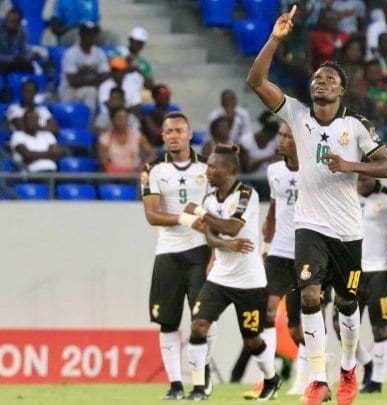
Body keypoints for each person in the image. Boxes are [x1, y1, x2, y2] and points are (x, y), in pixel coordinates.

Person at [246, 5, 387, 404]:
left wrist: (350, 165)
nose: (321, 81)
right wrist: (275, 40)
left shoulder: (356, 126)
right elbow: (256, 80)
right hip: (310, 226)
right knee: (310, 296)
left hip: (348, 230)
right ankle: (317, 378)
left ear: (342, 90)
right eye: (316, 77)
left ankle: (347, 368)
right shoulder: (297, 115)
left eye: (330, 78)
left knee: (347, 304)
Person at [182, 144, 282, 401]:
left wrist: (201, 213)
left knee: (252, 339)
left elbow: (232, 227)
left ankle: (271, 378)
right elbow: (211, 238)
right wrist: (226, 244)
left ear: (228, 171)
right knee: (198, 326)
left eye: (212, 167)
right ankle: (199, 387)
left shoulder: (246, 194)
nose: (207, 171)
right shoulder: (209, 199)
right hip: (219, 278)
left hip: (249, 281)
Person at [140, 112, 212, 400]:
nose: (173, 136)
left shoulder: (207, 168)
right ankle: (175, 384)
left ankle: (201, 381)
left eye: (179, 131)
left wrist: (216, 251)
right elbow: (152, 215)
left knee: (202, 319)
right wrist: (185, 219)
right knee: (168, 321)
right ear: (162, 136)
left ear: (190, 133)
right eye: (168, 131)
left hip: (200, 251)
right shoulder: (153, 169)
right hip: (168, 252)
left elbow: (216, 210)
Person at [243, 121, 307, 399]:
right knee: (267, 312)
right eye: (280, 135)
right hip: (279, 253)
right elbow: (273, 210)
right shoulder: (274, 171)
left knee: (298, 326)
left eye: (287, 136)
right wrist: (266, 245)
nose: (281, 141)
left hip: (308, 253)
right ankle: (267, 379)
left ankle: (308, 377)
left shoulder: (314, 172)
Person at [355, 173, 387, 394]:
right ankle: (367, 363)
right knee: (340, 326)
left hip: (380, 272)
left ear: (374, 177)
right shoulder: (346, 195)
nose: (360, 183)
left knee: (379, 327)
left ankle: (377, 381)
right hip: (352, 272)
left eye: (365, 179)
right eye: (357, 179)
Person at [58, 21, 110, 114]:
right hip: (69, 90)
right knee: (91, 90)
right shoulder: (71, 53)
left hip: (88, 89)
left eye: (93, 34)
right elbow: (73, 81)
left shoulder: (99, 52)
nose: (91, 36)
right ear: (81, 34)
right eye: (88, 33)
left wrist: (83, 75)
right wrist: (95, 75)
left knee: (92, 91)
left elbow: (106, 75)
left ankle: (88, 122)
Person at [97, 107, 155, 173]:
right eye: (119, 117)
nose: (123, 120)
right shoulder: (104, 138)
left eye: (125, 117)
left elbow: (151, 154)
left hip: (134, 174)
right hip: (112, 175)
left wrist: (142, 166)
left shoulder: (137, 135)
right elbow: (104, 161)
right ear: (112, 119)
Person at [0, 8, 39, 74]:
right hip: (3, 61)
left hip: (14, 62)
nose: (9, 23)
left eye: (14, 21)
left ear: (19, 23)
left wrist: (31, 56)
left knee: (30, 67)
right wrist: (13, 58)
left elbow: (24, 49)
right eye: (8, 20)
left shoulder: (22, 32)